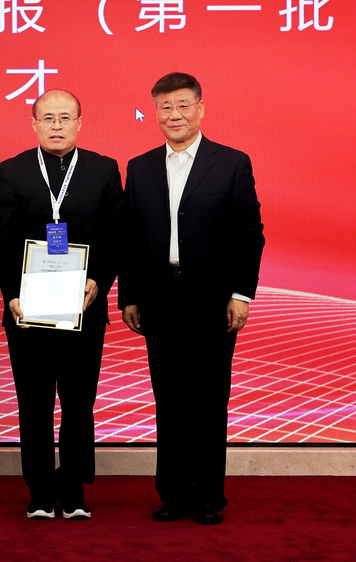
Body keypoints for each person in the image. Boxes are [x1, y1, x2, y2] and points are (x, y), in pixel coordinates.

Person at [120, 73, 264, 525]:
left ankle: (209, 496)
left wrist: (241, 294)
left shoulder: (231, 163)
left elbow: (250, 235)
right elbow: (131, 237)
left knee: (208, 397)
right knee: (167, 397)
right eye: (164, 106)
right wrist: (130, 295)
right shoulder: (140, 167)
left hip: (212, 300)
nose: (174, 114)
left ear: (200, 108)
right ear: (155, 113)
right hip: (159, 298)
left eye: (183, 105)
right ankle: (173, 493)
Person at [0, 89, 124, 520]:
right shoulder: (10, 171)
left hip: (83, 308)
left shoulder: (104, 169)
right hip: (27, 310)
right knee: (34, 404)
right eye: (47, 118)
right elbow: (4, 242)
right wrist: (12, 294)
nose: (56, 125)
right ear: (33, 124)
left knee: (78, 403)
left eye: (65, 117)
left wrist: (98, 280)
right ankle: (39, 491)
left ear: (80, 123)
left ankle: (74, 488)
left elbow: (114, 235)